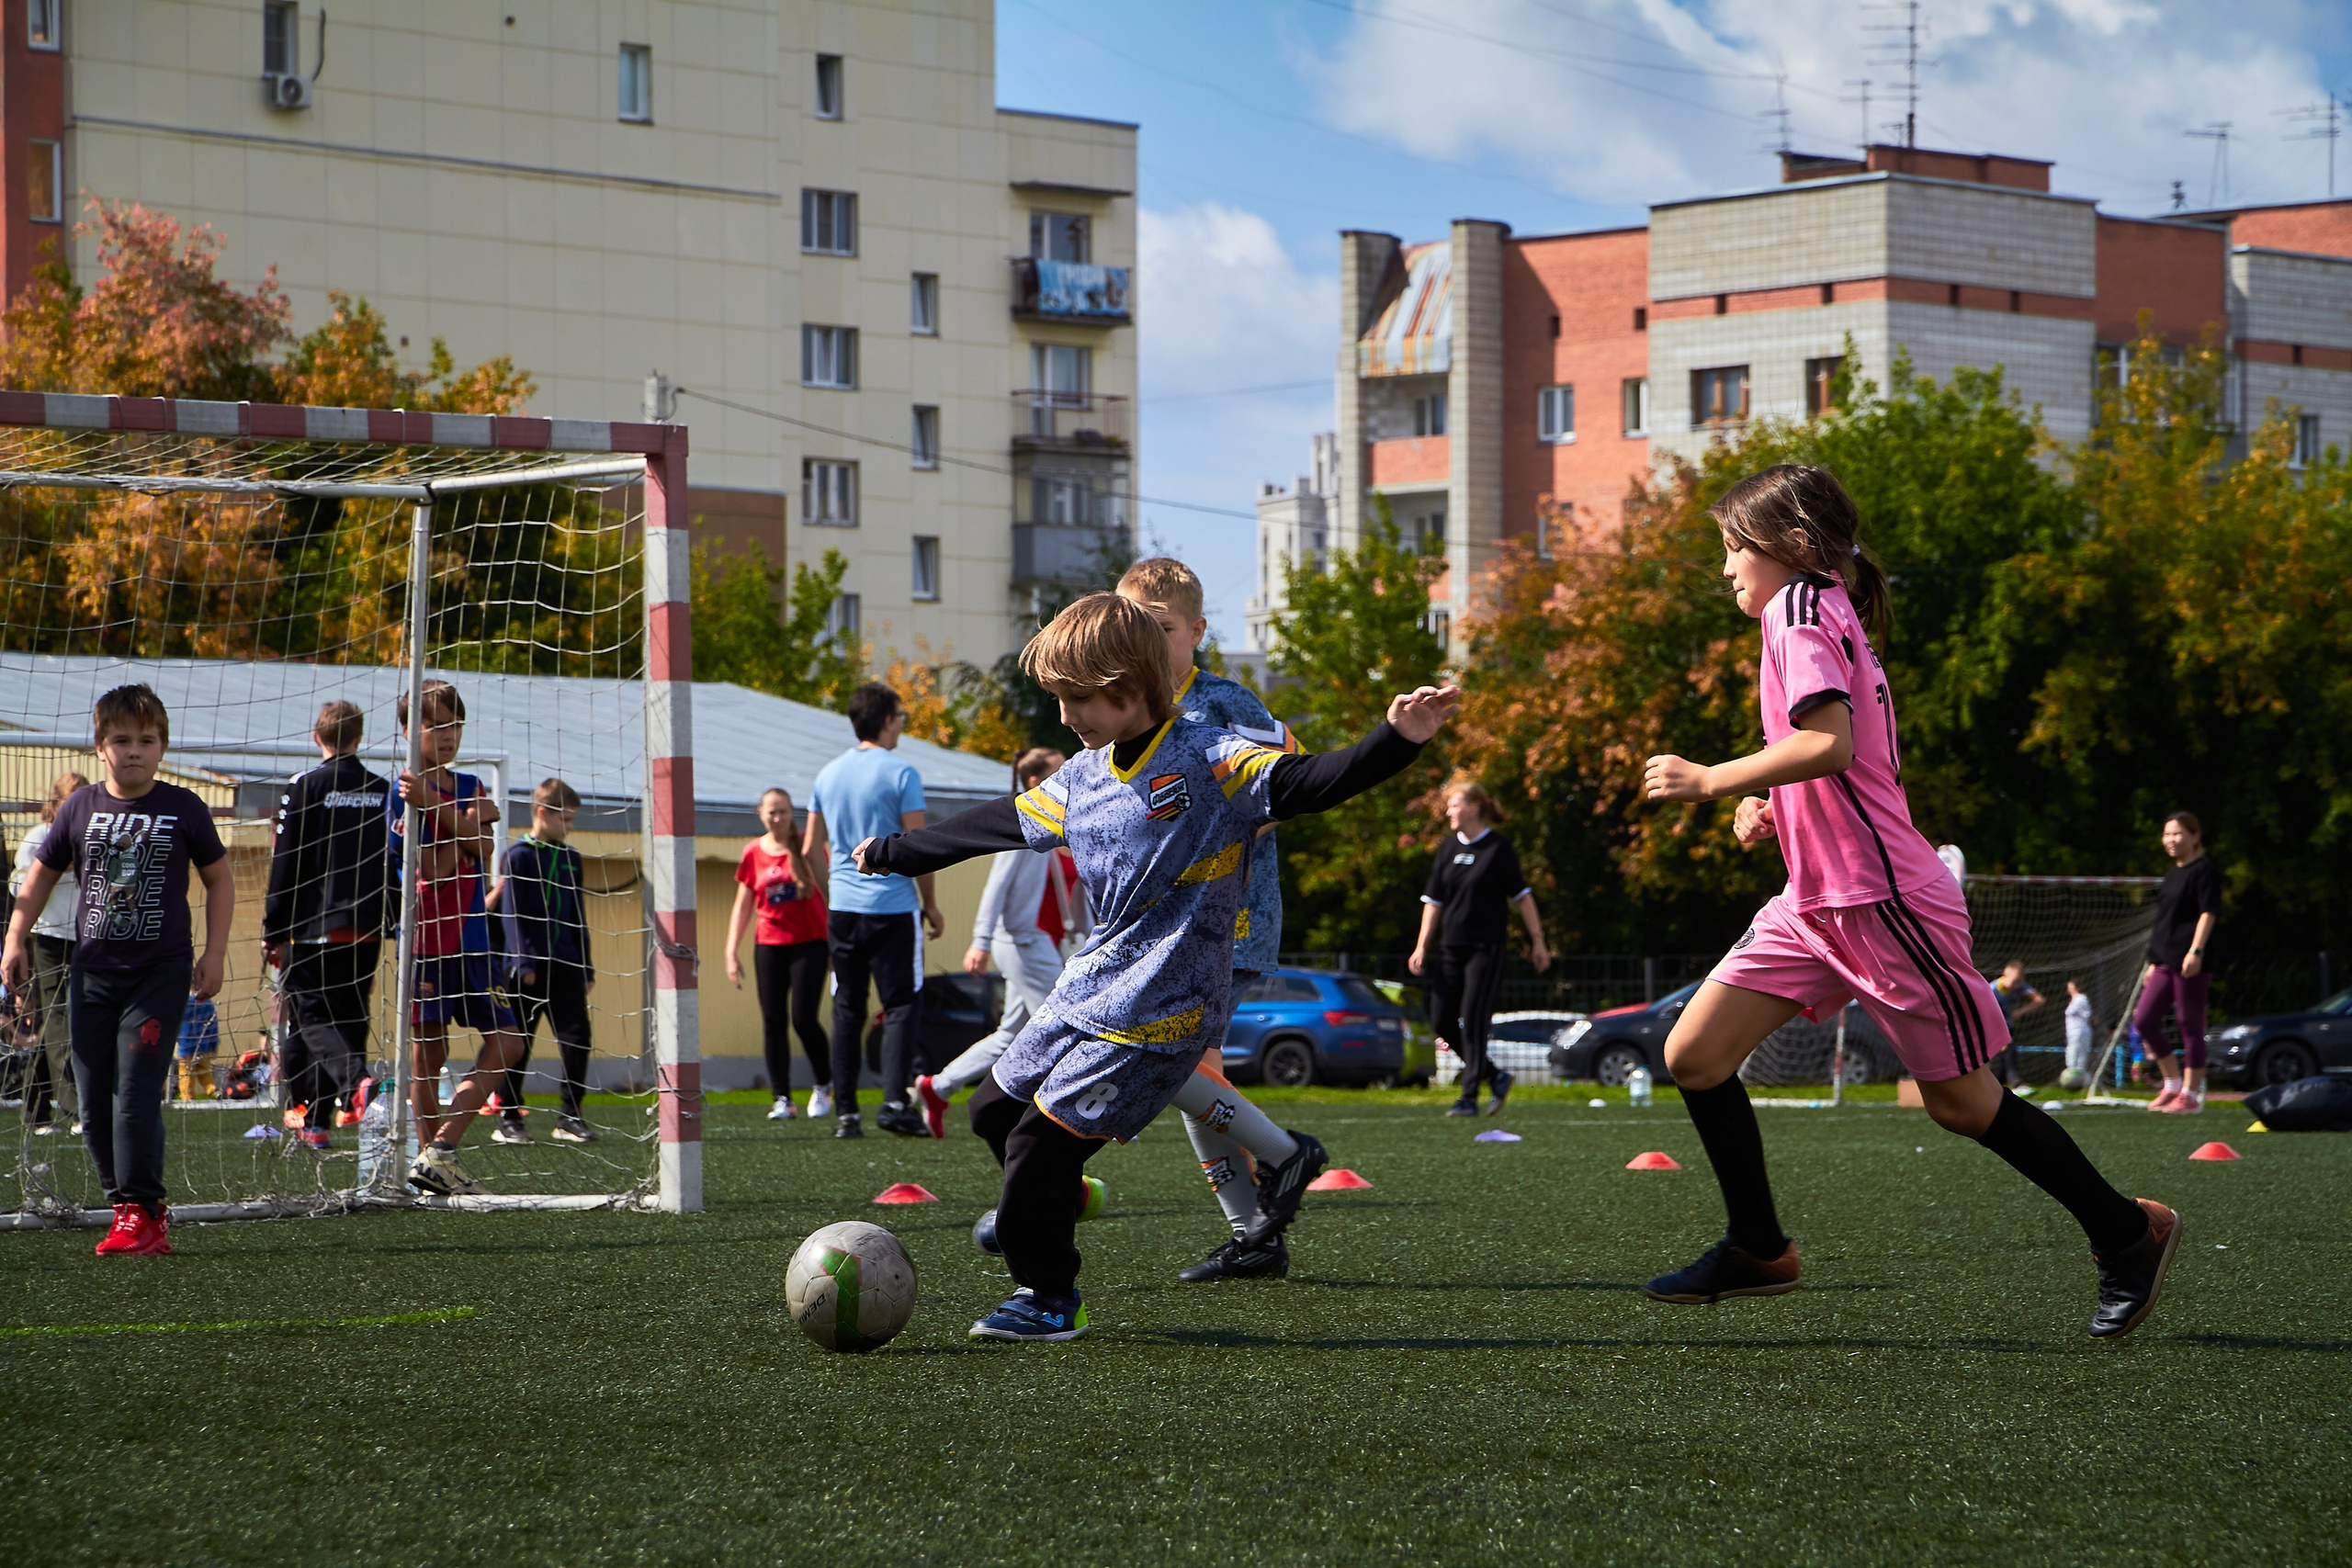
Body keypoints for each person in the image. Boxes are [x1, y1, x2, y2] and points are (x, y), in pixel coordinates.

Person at [1638, 463, 2178, 1339]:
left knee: (1962, 1105)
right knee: (1694, 1054)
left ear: (1794, 547)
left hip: (1885, 903)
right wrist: (1770, 805)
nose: (1727, 566)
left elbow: (1830, 743)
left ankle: (2128, 1231)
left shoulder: (1800, 610)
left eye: (1734, 546)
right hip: (1817, 901)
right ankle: (1759, 1245)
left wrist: (1709, 777)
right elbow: (1845, 760)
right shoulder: (1817, 614)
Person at [853, 592, 1459, 1341]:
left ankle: (1048, 1295)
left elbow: (1309, 782)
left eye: (1078, 698)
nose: (1066, 715)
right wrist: (895, 851)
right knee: (994, 1112)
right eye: (1060, 698)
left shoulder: (1211, 756)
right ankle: (1047, 1201)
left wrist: (1395, 739)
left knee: (1037, 1148)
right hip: (1093, 983)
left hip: (1162, 1005)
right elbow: (1001, 823)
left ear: (1132, 685)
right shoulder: (1083, 773)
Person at [1116, 558, 1334, 1280]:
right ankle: (1257, 1233)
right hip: (1165, 924)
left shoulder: (1222, 701)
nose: (1148, 641)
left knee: (1171, 1061)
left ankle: (1282, 1157)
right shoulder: (1128, 705)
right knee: (1188, 1071)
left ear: (1198, 631)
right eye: (1133, 627)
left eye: (1164, 628)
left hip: (1229, 919)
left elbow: (1290, 775)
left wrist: (1230, 835)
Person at [4, 684, 233, 1258]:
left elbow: (221, 879)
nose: (134, 751)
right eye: (121, 740)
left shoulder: (184, 807)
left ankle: (137, 1212)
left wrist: (214, 952)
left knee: (134, 1094)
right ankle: (134, 1207)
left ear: (162, 748)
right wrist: (13, 937)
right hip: (93, 973)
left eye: (147, 741)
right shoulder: (80, 809)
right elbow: (38, 878)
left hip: (157, 974)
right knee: (90, 1099)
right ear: (100, 746)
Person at [389, 679, 529, 1195]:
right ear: (407, 732)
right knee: (429, 1057)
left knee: (509, 1042)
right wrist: (463, 825)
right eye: (432, 725)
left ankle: (439, 1150)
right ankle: (433, 1174)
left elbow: (484, 851)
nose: (445, 735)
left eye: (453, 724)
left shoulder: (470, 785)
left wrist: (451, 818)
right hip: (426, 941)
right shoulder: (403, 792)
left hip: (473, 940)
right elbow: (429, 867)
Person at [914, 749, 1080, 1137]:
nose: (1070, 776)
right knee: (1065, 1026)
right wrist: (979, 942)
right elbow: (995, 888)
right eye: (1060, 771)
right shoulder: (1026, 822)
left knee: (1011, 1034)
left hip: (1039, 943)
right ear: (1036, 783)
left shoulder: (1055, 824)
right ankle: (1080, 1112)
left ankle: (936, 1088)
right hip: (1023, 943)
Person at [804, 683, 944, 1140]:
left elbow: (809, 848)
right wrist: (931, 904)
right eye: (900, 716)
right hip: (892, 906)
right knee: (901, 1004)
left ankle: (847, 1114)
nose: (902, 723)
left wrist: (834, 893)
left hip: (843, 909)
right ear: (885, 720)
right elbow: (918, 847)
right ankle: (894, 1104)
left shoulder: (826, 774)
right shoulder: (902, 772)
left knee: (847, 1007)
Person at [261, 701, 393, 1151]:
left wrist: (273, 925)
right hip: (367, 924)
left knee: (310, 1017)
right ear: (358, 737)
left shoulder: (305, 785)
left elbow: (286, 859)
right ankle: (316, 1120)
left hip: (313, 924)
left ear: (317, 737)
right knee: (348, 1017)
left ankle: (353, 1084)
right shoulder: (382, 788)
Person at [1409, 777, 1553, 1118]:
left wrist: (1538, 941)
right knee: (1442, 1020)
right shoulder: (1447, 848)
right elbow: (1433, 901)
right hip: (1450, 949)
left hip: (1484, 949)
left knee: (1473, 1020)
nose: (1449, 811)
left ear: (1473, 808)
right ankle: (1494, 1075)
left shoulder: (1498, 849)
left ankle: (1469, 1096)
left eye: (1454, 805)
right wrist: (1421, 945)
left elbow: (1522, 897)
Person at [493, 778, 597, 1144]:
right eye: (565, 820)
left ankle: (570, 1114)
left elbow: (577, 915)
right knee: (518, 1040)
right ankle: (509, 1116)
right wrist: (524, 963)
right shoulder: (517, 856)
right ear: (541, 813)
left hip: (566, 963)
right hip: (527, 968)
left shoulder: (571, 859)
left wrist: (586, 965)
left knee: (577, 1037)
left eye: (572, 821)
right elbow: (512, 915)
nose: (569, 828)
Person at [726, 787, 831, 1122]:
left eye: (783, 811)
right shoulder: (753, 852)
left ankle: (823, 1085)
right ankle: (782, 1098)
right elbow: (743, 906)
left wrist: (837, 942)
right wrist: (731, 950)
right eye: (771, 811)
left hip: (810, 943)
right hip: (769, 945)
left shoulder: (810, 848)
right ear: (760, 813)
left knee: (803, 1018)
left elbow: (831, 893)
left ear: (792, 814)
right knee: (773, 1021)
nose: (777, 818)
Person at [10, 772, 86, 1134]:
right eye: (71, 799)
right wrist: (60, 865)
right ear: (57, 802)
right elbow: (20, 884)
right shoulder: (41, 837)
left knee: (63, 1023)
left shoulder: (91, 834)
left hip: (87, 937)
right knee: (59, 1018)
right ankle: (77, 1110)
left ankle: (35, 1110)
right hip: (50, 938)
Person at [2139, 810, 2221, 1114]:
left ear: (2195, 836)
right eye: (2167, 834)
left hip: (2190, 961)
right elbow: (2164, 921)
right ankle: (2171, 1083)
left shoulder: (2204, 871)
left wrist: (2196, 951)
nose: (2171, 840)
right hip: (2163, 959)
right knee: (2144, 1020)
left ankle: (2191, 1094)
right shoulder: (2173, 873)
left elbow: (2208, 912)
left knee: (2190, 1025)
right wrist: (2152, 962)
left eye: (2178, 834)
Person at [1987, 959, 2045, 1094]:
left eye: (2019, 982)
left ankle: (1998, 1085)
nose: (2016, 986)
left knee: (2005, 1052)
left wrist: (2020, 1011)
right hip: (1992, 1025)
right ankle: (2015, 1081)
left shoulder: (2021, 986)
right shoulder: (1992, 989)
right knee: (2006, 1048)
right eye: (2014, 982)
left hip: (2007, 1024)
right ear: (2004, 975)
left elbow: (2039, 1000)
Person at [2061, 978, 2095, 1089]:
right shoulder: (2074, 999)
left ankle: (2080, 1081)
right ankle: (2075, 1080)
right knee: (2072, 1053)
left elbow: (2084, 1014)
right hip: (2073, 1031)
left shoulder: (2081, 998)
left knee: (2078, 1055)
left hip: (2079, 1031)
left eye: (2070, 985)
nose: (2068, 987)